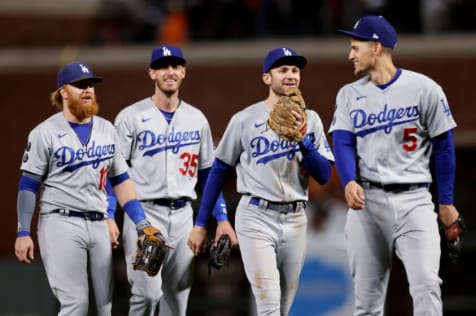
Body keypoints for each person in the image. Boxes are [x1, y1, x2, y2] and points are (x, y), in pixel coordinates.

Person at [329, 15, 462, 315]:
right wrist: (349, 179)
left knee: (427, 286)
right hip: (367, 202)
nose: (350, 55)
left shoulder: (424, 88)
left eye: (355, 47)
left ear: (376, 47)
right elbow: (343, 141)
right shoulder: (349, 94)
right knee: (366, 302)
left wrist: (447, 202)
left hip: (414, 199)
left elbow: (444, 147)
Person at [188, 47, 334, 316]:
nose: (290, 75)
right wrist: (201, 223)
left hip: (295, 217)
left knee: (283, 307)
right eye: (282, 70)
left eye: (294, 70)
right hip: (256, 216)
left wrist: (302, 140)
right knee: (268, 303)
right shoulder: (245, 119)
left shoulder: (310, 119)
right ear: (267, 78)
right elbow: (219, 170)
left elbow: (323, 175)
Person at [14, 61, 156, 316]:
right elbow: (28, 184)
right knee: (76, 304)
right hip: (61, 222)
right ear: (63, 91)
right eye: (80, 85)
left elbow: (121, 180)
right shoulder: (44, 133)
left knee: (105, 307)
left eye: (90, 84)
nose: (87, 89)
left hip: (99, 223)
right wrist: (23, 232)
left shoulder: (107, 129)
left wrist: (141, 223)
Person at [114, 45, 234, 316]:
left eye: (175, 66)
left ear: (183, 72)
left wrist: (222, 219)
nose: (170, 71)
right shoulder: (130, 117)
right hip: (144, 215)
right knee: (147, 293)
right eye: (163, 66)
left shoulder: (196, 118)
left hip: (183, 217)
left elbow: (208, 175)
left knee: (178, 301)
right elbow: (115, 174)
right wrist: (111, 215)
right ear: (152, 73)